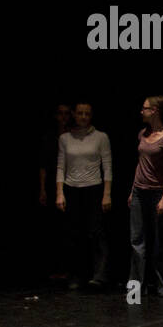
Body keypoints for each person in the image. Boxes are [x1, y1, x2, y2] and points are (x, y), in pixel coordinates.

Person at [56, 102, 112, 289]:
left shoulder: (101, 137)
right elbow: (61, 166)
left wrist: (107, 194)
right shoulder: (65, 138)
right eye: (80, 113)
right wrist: (59, 193)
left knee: (96, 233)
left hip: (94, 188)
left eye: (87, 114)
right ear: (74, 114)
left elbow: (107, 167)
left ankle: (99, 275)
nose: (83, 117)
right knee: (73, 234)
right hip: (72, 188)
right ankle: (75, 275)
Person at [128, 96, 163, 297]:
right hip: (140, 191)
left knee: (158, 241)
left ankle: (162, 284)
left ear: (155, 111)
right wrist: (132, 191)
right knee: (137, 240)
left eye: (145, 108)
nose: (142, 111)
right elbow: (140, 164)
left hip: (157, 191)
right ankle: (136, 287)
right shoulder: (142, 134)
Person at [39, 103, 73, 280]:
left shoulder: (74, 135)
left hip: (72, 183)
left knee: (70, 227)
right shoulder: (49, 137)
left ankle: (70, 268)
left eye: (67, 114)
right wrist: (43, 189)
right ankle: (55, 267)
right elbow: (44, 165)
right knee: (54, 227)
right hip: (53, 184)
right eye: (60, 114)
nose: (64, 117)